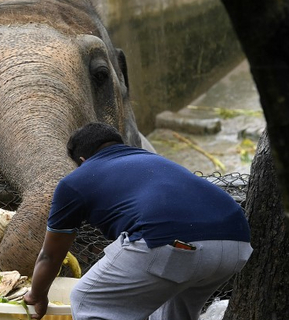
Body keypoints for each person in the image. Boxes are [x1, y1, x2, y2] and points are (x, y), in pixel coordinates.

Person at [23, 122, 252, 320]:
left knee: (87, 299)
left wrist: (37, 294)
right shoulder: (154, 160)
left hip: (172, 243)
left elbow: (51, 255)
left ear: (82, 160)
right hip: (236, 244)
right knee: (172, 313)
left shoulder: (77, 179)